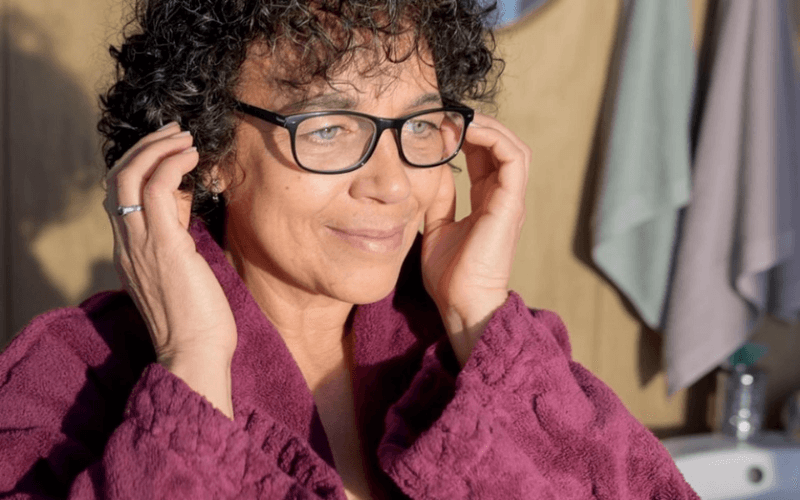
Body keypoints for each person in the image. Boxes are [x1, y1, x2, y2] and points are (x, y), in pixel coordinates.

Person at [0, 0, 698, 498]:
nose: (393, 185)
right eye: (330, 128)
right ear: (207, 149)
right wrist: (192, 367)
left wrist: (476, 315)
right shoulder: (65, 381)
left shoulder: (489, 353)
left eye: (421, 126)